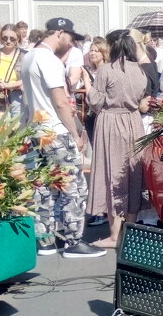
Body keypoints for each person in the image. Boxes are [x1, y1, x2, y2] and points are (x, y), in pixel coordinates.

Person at [21, 17, 105, 259]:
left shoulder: (29, 56)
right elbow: (60, 102)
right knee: (72, 186)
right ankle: (72, 241)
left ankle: (45, 240)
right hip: (55, 130)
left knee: (42, 188)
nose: (71, 44)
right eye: (70, 38)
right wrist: (76, 132)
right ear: (59, 33)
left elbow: (28, 100)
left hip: (36, 129)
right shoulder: (49, 59)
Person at [86, 31, 148, 249]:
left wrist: (91, 88)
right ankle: (129, 232)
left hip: (111, 123)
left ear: (112, 46)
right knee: (132, 173)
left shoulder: (106, 70)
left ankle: (114, 236)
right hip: (133, 122)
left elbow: (95, 100)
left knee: (112, 173)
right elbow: (140, 97)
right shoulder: (139, 70)